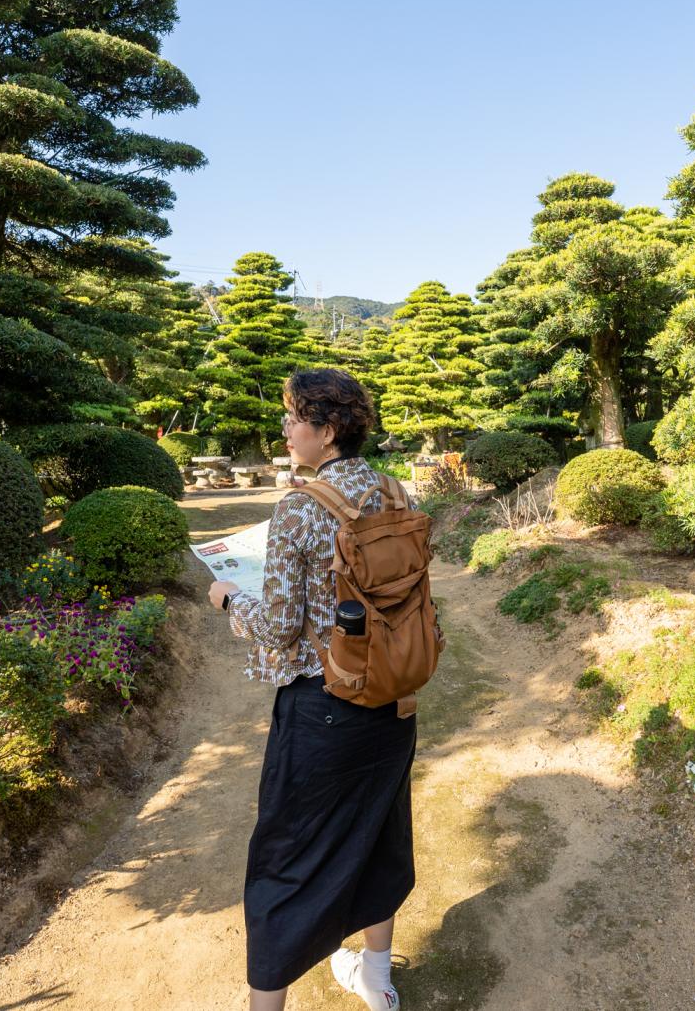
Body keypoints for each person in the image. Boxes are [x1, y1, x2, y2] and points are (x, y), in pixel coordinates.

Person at [209, 368, 414, 1011]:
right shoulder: (393, 490)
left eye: (294, 418)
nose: (285, 430)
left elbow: (276, 627)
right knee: (381, 832)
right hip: (392, 698)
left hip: (321, 708)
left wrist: (228, 597)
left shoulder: (299, 507)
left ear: (327, 432)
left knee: (286, 864)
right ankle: (376, 981)